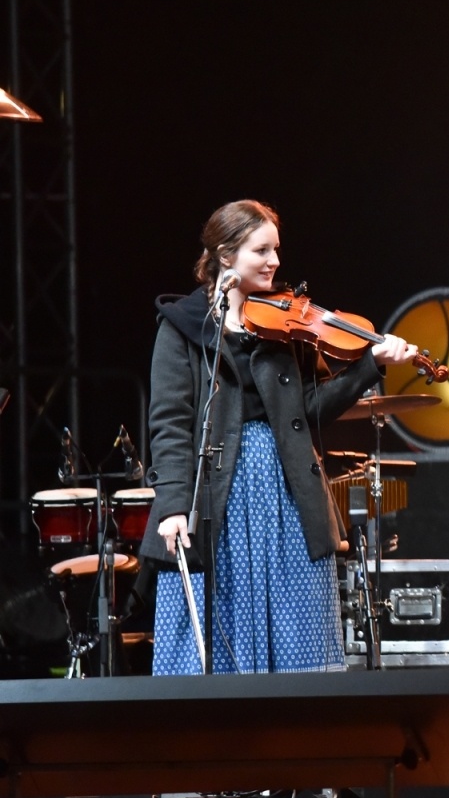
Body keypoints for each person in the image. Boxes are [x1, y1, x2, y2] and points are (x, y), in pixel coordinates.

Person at [139, 200, 417, 675]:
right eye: (261, 250)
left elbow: (312, 413)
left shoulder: (285, 325)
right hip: (216, 493)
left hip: (287, 490)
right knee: (213, 630)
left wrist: (370, 366)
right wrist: (170, 506)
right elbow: (170, 423)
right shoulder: (182, 326)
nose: (274, 262)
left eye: (276, 250)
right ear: (226, 255)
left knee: (298, 625)